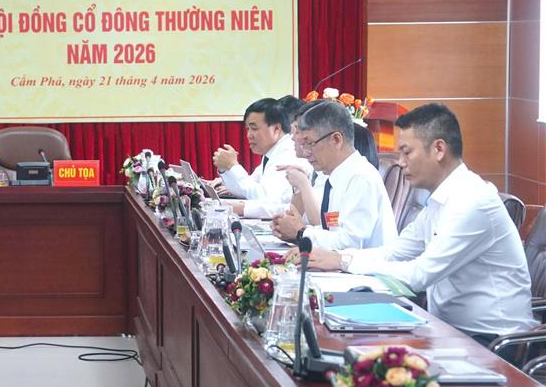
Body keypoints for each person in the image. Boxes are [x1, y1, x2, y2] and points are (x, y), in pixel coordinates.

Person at [308, 103, 537, 344]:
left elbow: (419, 275)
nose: (400, 162)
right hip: (448, 330)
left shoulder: (472, 201)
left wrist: (343, 262)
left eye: (407, 153)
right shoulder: (438, 200)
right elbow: (396, 252)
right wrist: (338, 258)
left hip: (492, 341)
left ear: (439, 149)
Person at [271, 101, 396, 250]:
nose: (306, 152)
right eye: (303, 145)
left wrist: (301, 233)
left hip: (367, 265)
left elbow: (352, 242)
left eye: (310, 143)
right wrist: (294, 233)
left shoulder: (361, 177)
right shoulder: (336, 176)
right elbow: (331, 231)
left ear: (336, 140)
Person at [212, 97, 311, 218]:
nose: (249, 135)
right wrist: (226, 169)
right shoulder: (270, 153)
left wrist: (233, 167)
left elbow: (266, 198)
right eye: (247, 129)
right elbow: (244, 190)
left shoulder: (289, 152)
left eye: (254, 128)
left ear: (276, 129)